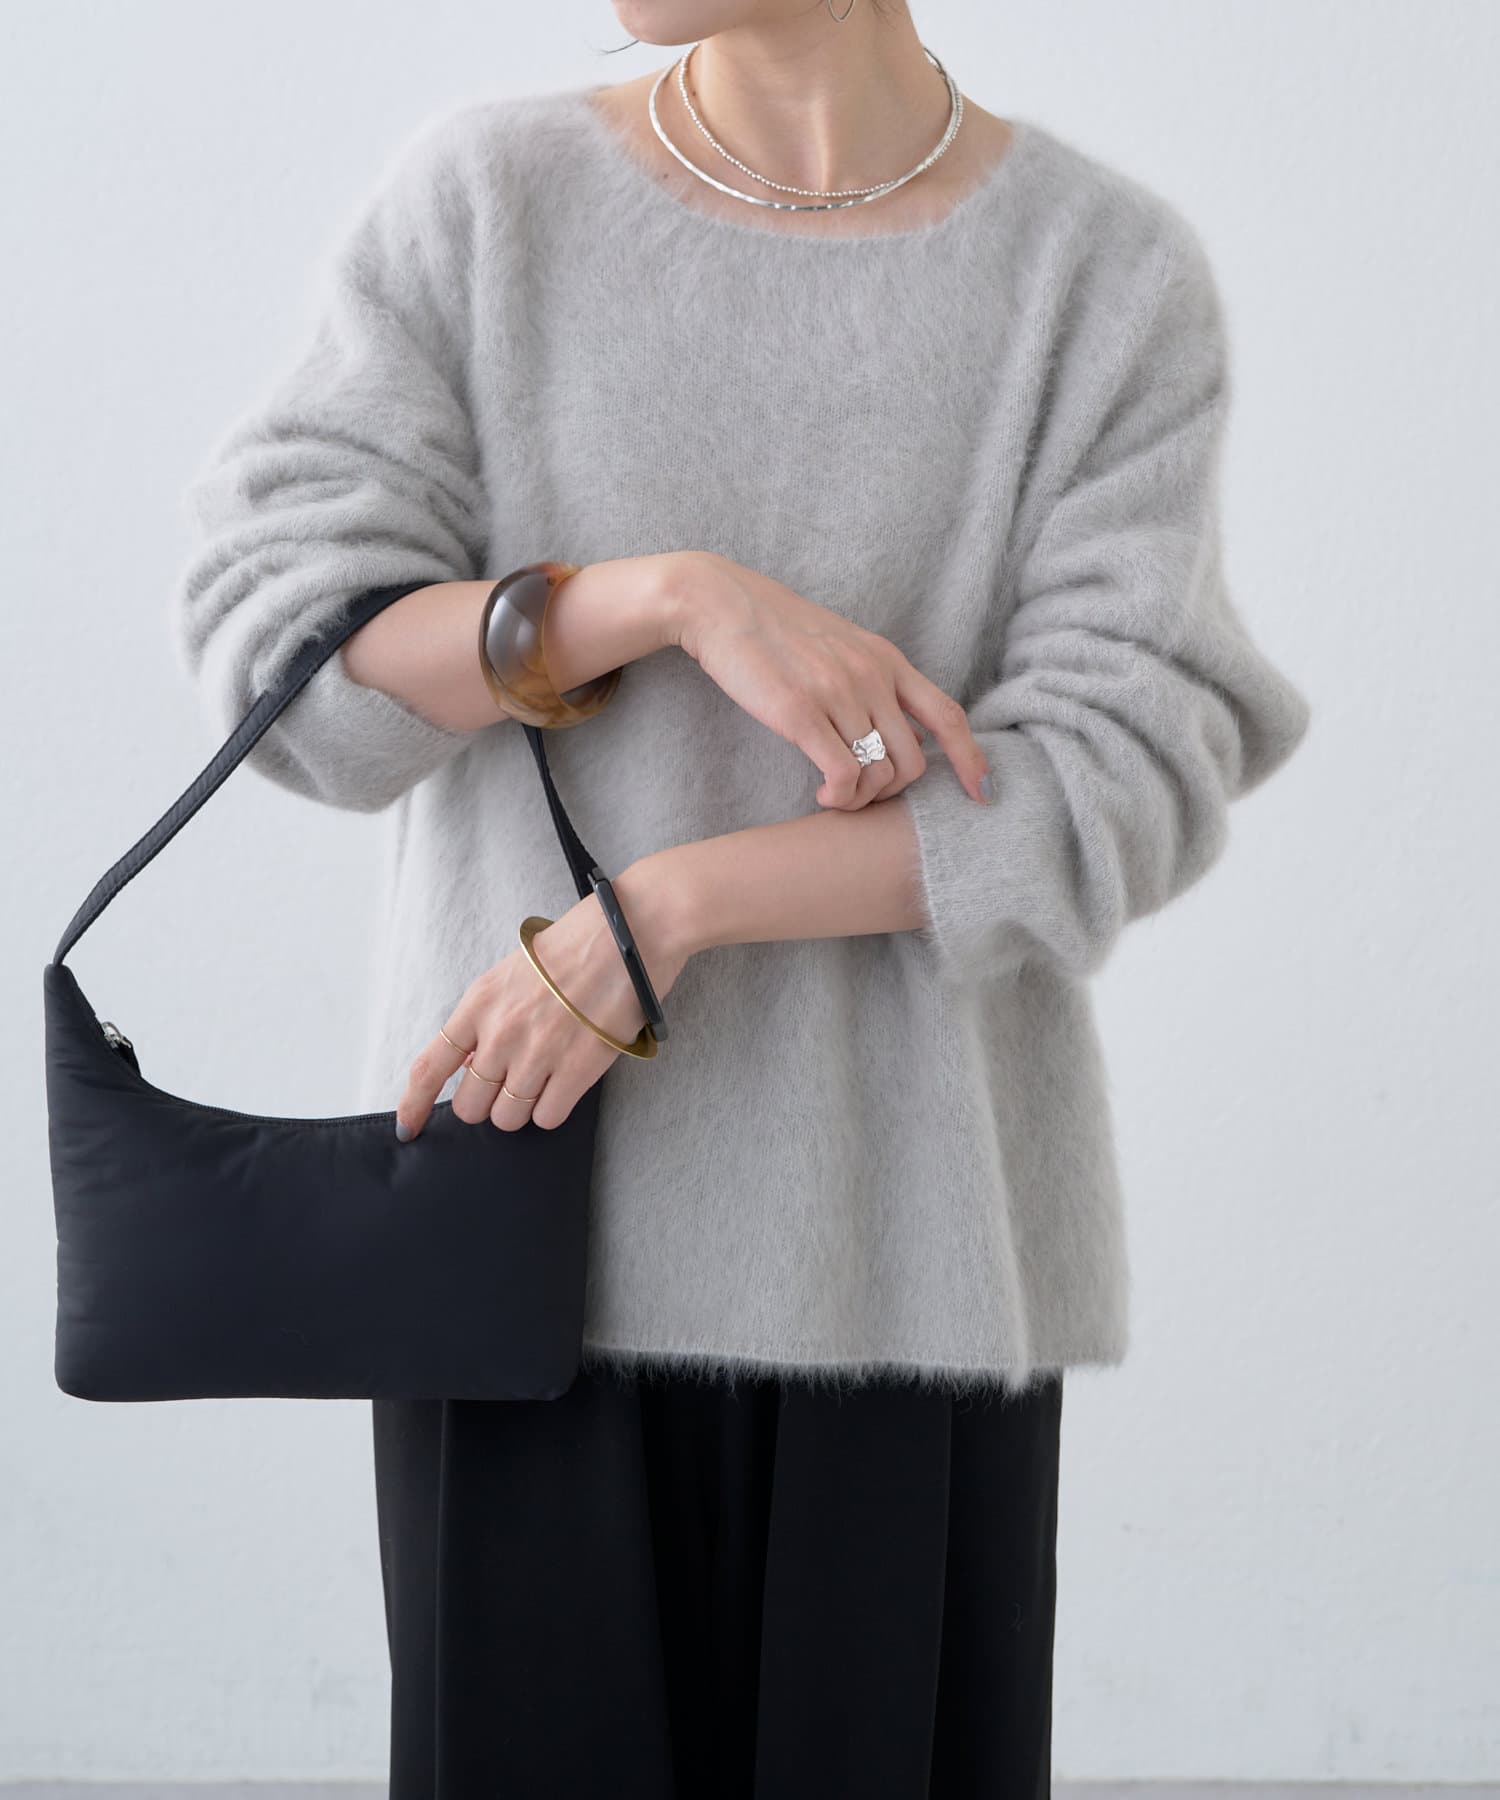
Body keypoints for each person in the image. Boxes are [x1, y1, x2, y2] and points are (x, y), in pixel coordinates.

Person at [170, 2, 1312, 1792]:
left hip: (913, 1272)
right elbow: (287, 660)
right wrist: (663, 599)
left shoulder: (1096, 274)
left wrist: (668, 911)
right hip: (519, 1245)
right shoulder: (488, 201)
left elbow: (1121, 774)